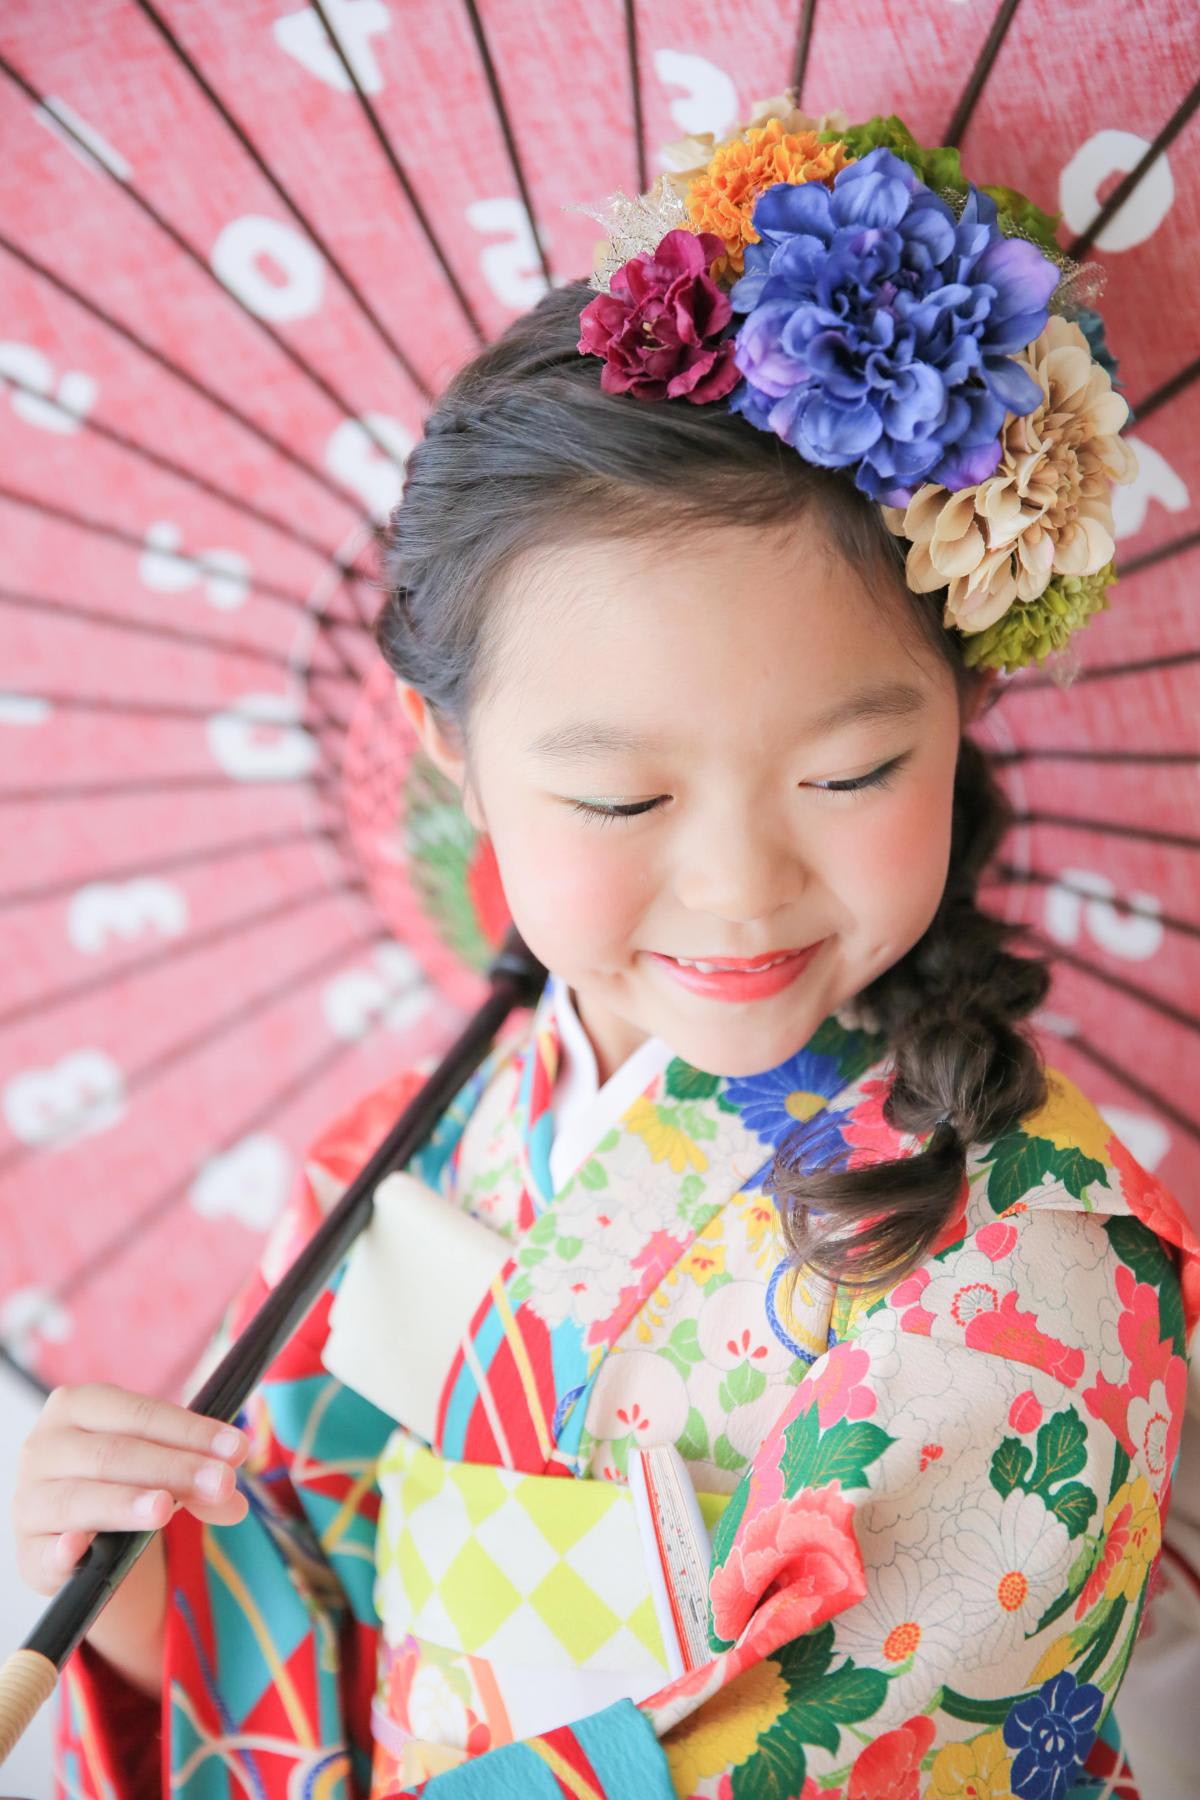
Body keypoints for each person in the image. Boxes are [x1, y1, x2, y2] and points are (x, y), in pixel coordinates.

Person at [15, 99, 1199, 1800]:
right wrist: (136, 1592)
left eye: (852, 773)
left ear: (969, 705)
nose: (736, 889)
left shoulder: (1033, 1292)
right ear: (450, 747)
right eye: (617, 797)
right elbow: (327, 1603)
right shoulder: (438, 1130)